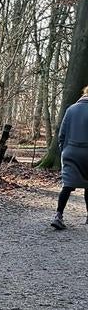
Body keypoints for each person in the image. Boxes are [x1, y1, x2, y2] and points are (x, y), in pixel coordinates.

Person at [51, 84, 88, 230]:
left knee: (67, 186)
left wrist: (65, 151)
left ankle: (58, 216)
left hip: (70, 152)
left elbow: (61, 135)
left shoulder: (71, 109)